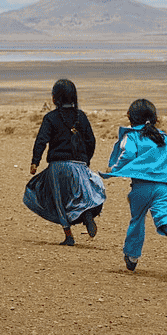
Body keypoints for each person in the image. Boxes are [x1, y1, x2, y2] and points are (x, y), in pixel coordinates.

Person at [102, 99, 167, 271]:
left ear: (131, 118)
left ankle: (132, 256)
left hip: (141, 187)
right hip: (163, 187)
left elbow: (127, 154)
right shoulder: (164, 138)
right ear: (155, 118)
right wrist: (161, 169)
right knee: (162, 213)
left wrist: (114, 168)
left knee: (137, 220)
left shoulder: (131, 136)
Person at [23, 79, 104, 246]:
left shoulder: (50, 117)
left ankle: (69, 236)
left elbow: (41, 140)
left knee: (57, 199)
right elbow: (91, 141)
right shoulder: (81, 116)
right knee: (81, 195)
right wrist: (85, 160)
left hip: (57, 166)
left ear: (54, 99)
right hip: (79, 165)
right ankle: (87, 215)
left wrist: (35, 162)